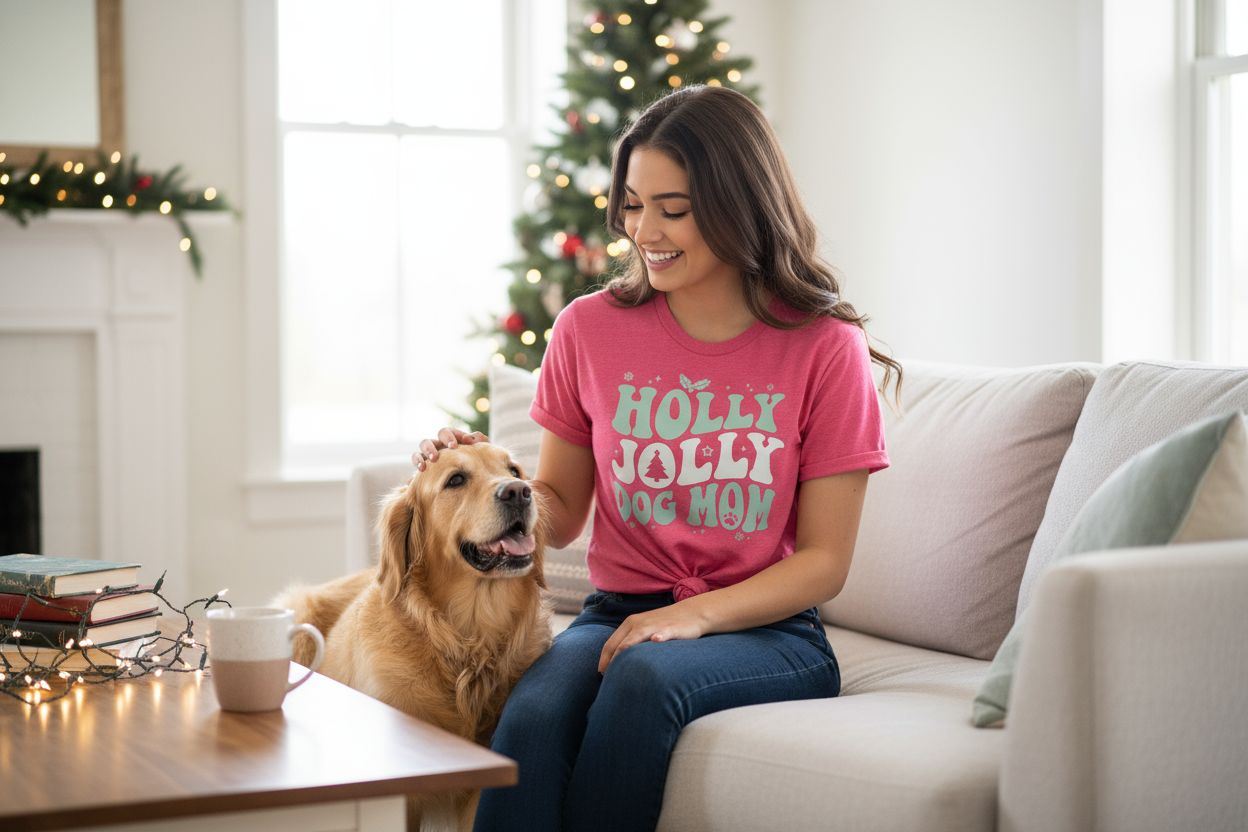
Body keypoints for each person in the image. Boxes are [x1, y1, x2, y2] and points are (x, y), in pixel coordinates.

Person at [413, 84, 903, 832]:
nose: (646, 230)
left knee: (643, 677)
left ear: (741, 203)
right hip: (620, 612)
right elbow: (564, 511)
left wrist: (697, 617)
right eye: (633, 205)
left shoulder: (823, 346)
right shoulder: (588, 330)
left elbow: (825, 562)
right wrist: (476, 477)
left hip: (769, 631)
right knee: (535, 713)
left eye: (673, 209)